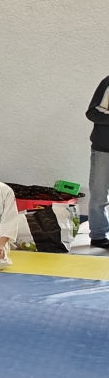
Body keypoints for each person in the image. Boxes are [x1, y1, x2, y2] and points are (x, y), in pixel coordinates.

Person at [86, 74, 109, 249]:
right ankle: (98, 235)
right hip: (104, 149)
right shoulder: (108, 82)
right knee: (100, 195)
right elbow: (92, 112)